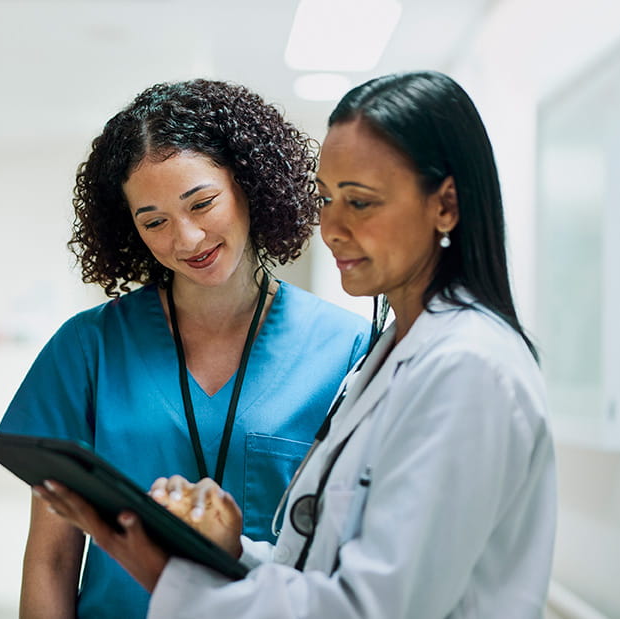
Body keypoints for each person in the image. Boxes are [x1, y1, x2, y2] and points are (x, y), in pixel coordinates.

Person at [35, 71, 557, 618]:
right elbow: (317, 568)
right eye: (327, 197)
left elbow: (370, 607)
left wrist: (164, 573)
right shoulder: (394, 359)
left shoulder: (466, 369)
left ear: (445, 206)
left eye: (360, 202)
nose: (331, 227)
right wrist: (229, 552)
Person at [0, 78, 370, 619]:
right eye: (155, 221)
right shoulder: (87, 349)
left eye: (203, 203)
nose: (187, 239)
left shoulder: (347, 349)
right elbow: (51, 560)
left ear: (249, 185)